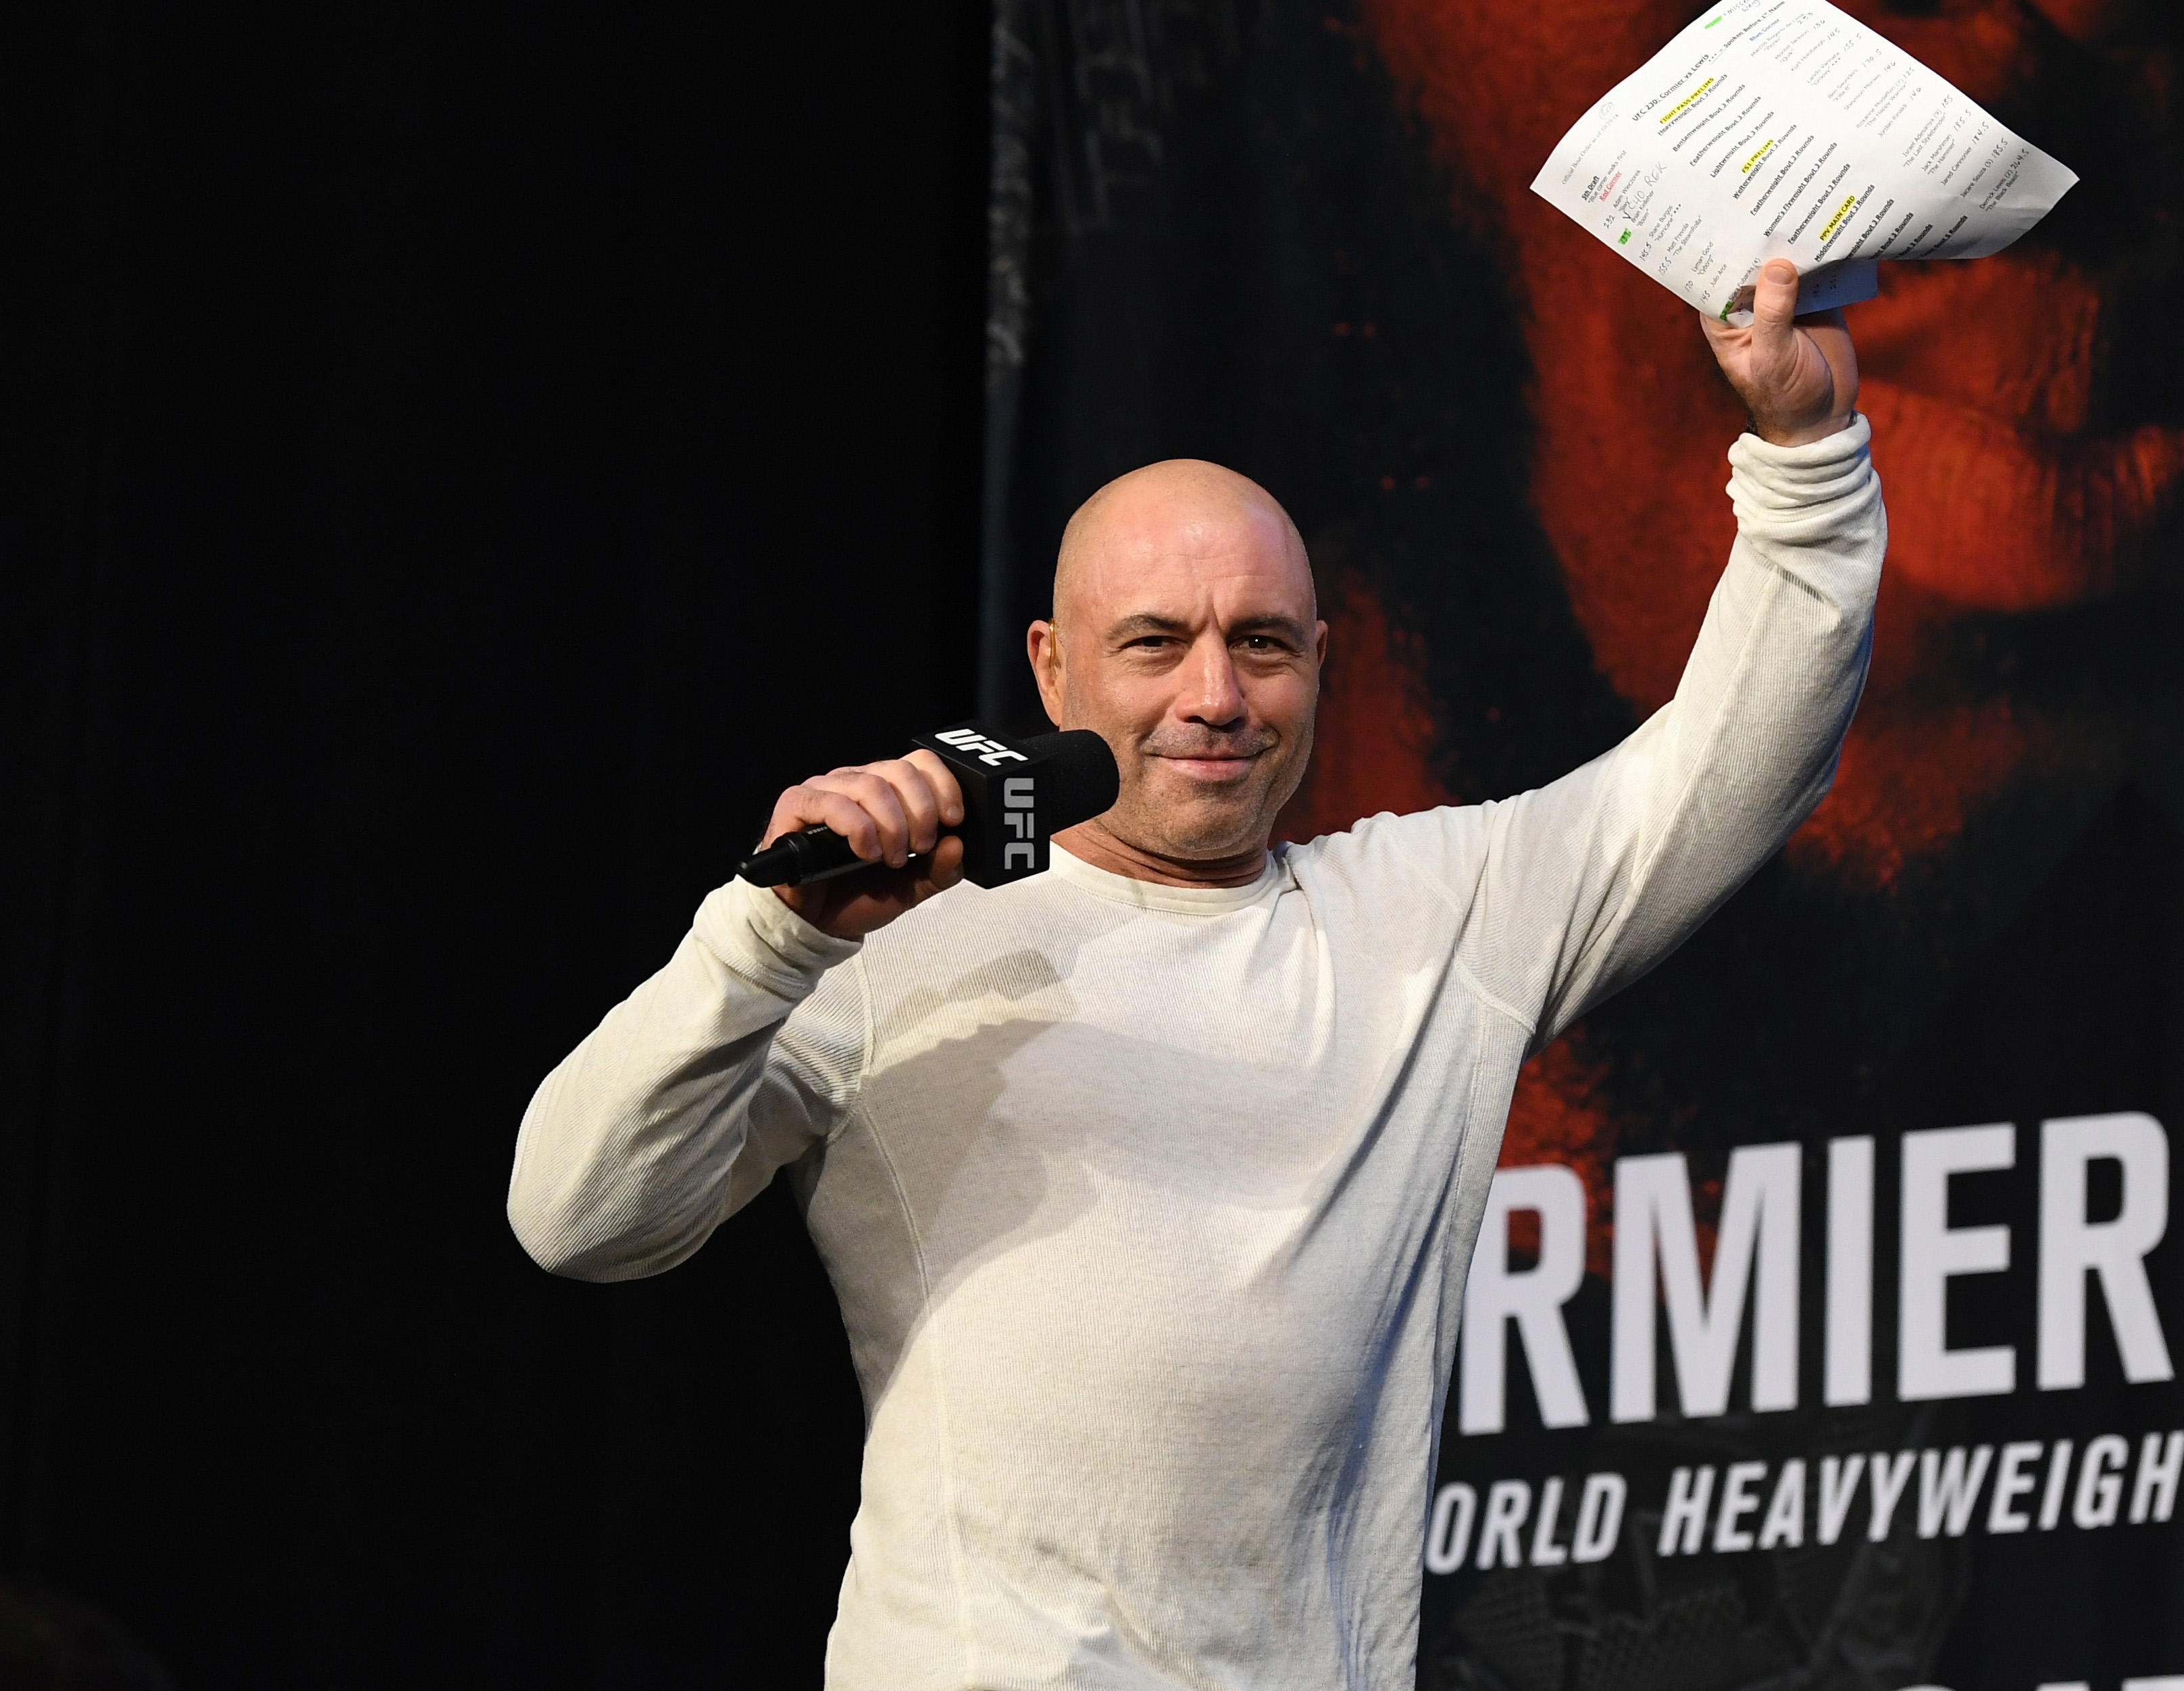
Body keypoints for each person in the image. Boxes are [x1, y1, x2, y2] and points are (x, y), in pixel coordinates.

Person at [509, 261, 1885, 1686]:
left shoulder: (1430, 921)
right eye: (1155, 643)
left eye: (1263, 645)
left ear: (1320, 662)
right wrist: (771, 934)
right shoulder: (884, 935)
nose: (1215, 696)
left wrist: (1808, 455)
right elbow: (579, 1214)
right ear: (1051, 670)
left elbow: (1731, 766)